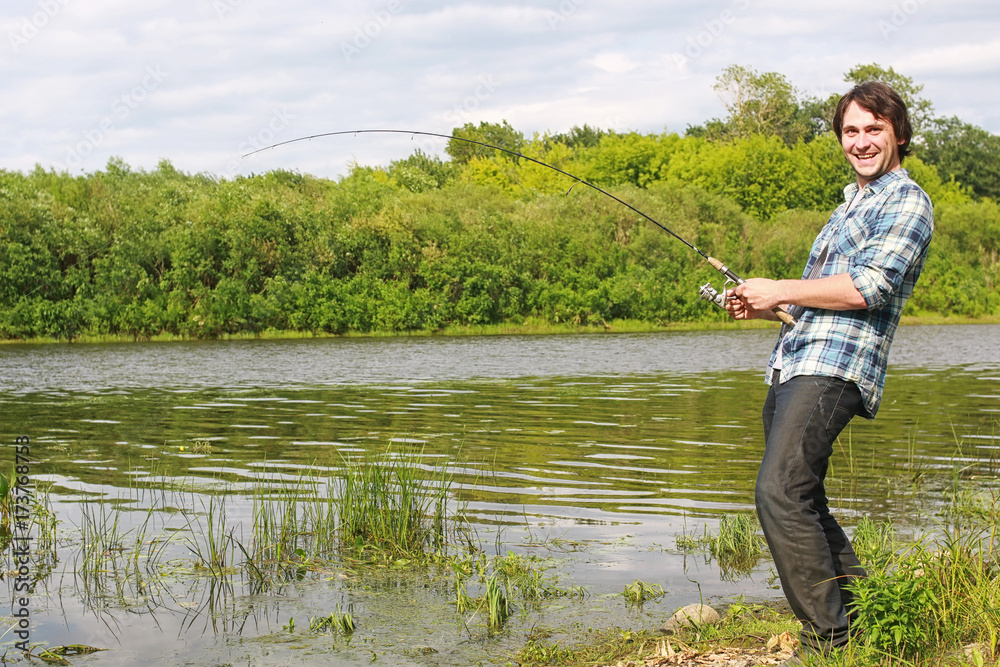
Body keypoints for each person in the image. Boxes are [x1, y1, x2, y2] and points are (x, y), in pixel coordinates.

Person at [724, 81, 934, 656]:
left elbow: (871, 287)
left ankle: (831, 641)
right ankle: (870, 623)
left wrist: (782, 286)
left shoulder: (906, 201)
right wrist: (768, 304)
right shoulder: (851, 205)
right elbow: (817, 303)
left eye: (874, 130)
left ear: (898, 135)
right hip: (797, 360)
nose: (861, 142)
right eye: (851, 131)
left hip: (835, 369)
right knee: (804, 496)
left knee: (779, 492)